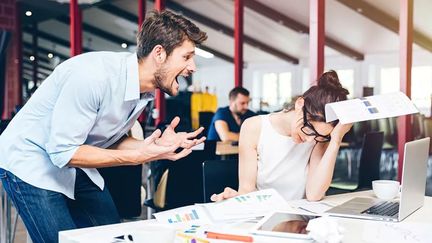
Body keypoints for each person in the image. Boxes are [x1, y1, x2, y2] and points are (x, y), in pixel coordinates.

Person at [0, 10, 207, 242]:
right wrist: (136, 157)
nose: (193, 67)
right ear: (159, 53)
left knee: (114, 237)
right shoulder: (93, 77)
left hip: (72, 157)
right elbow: (62, 152)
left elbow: (113, 139)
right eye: (187, 57)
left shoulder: (143, 89)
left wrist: (151, 145)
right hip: (30, 159)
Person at [211, 70, 352, 202]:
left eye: (319, 136)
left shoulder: (320, 138)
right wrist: (237, 199)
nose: (310, 140)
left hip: (301, 221)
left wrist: (335, 140)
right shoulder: (254, 127)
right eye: (310, 130)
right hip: (265, 215)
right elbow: (247, 189)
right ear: (299, 104)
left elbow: (314, 194)